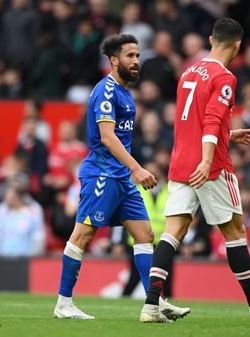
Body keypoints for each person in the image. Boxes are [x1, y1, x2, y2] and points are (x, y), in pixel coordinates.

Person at [140, 18, 250, 325]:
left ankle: (151, 306)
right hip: (208, 167)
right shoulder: (225, 77)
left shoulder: (188, 71)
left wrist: (228, 133)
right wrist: (209, 159)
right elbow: (210, 120)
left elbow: (192, 119)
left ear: (211, 39)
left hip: (180, 162)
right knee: (235, 233)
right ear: (237, 46)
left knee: (172, 233)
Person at [53, 34, 188, 321]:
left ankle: (155, 303)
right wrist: (137, 168)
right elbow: (107, 137)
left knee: (145, 235)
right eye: (130, 56)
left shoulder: (125, 92)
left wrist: (130, 172)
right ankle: (64, 303)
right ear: (114, 61)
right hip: (102, 174)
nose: (136, 61)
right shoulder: (106, 91)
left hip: (122, 178)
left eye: (138, 56)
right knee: (84, 234)